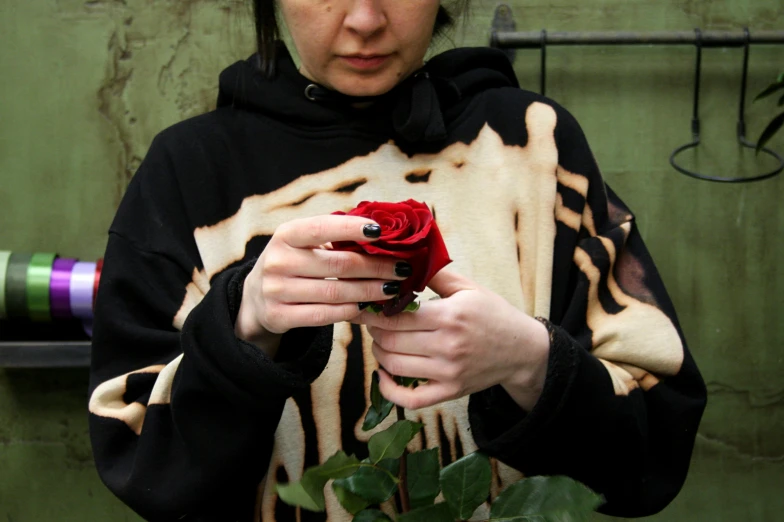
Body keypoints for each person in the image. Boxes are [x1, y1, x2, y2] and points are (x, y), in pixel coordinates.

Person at [87, 0, 707, 520]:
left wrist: (530, 363)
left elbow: (654, 450)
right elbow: (143, 468)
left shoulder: (533, 147)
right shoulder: (189, 174)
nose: (365, 18)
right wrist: (241, 329)